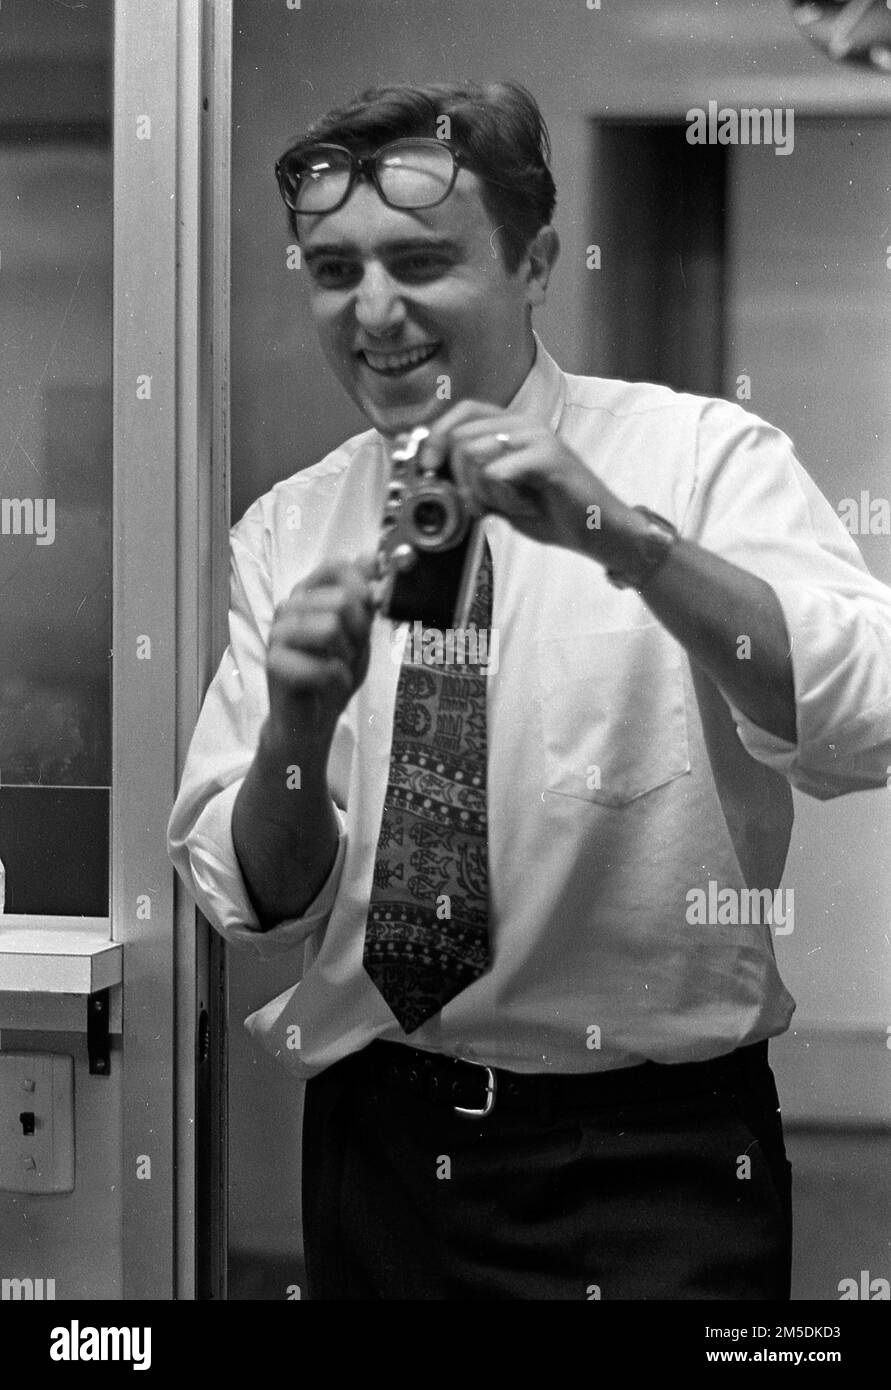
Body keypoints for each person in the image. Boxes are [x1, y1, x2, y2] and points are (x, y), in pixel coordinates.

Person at [168, 79, 891, 1300]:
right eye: (334, 270)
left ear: (536, 259)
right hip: (382, 1144)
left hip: (659, 1161)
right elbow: (262, 899)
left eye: (418, 260)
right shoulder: (288, 530)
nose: (374, 310)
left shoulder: (704, 459)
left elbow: (863, 717)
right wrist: (296, 726)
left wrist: (634, 546)